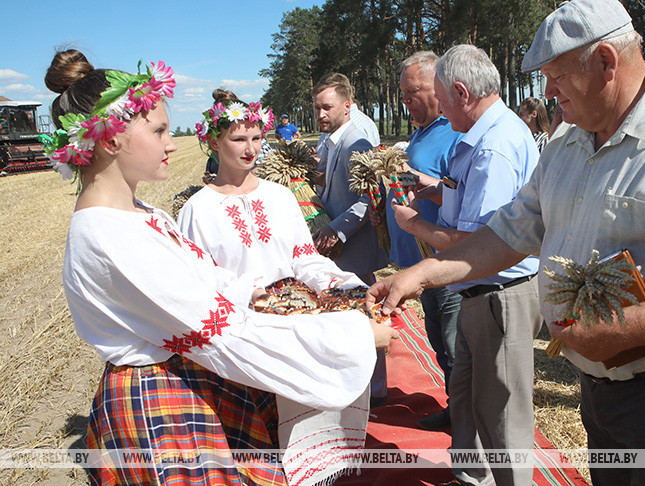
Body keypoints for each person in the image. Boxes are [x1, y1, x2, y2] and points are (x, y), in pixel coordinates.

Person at [369, 2, 645, 485]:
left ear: (605, 62)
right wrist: (421, 274)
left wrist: (620, 328)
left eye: (555, 76)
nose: (546, 92)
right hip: (600, 384)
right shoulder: (570, 141)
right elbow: (510, 232)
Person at [44, 49, 395, 485]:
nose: (172, 144)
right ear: (112, 140)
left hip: (198, 371)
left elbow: (213, 280)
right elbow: (222, 331)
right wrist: (354, 336)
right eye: (159, 131)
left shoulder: (141, 215)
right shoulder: (108, 235)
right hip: (162, 398)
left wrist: (287, 296)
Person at [179, 88, 385, 483]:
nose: (250, 148)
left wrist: (342, 283)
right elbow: (199, 280)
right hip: (239, 335)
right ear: (213, 141)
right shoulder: (197, 209)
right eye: (239, 139)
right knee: (254, 444)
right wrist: (248, 296)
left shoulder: (279, 196)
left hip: (291, 319)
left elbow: (304, 257)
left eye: (257, 138)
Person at [389, 44, 542, 486]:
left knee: (503, 415)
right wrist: (435, 190)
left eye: (438, 96)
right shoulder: (479, 136)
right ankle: (471, 478)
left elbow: (480, 243)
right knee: (469, 402)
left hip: (498, 296)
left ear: (460, 92)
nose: (437, 108)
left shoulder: (493, 147)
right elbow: (470, 204)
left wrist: (416, 224)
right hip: (478, 294)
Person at [387, 51, 464, 431]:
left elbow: (462, 194)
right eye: (402, 94)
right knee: (440, 341)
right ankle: (457, 410)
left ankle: (465, 420)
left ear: (437, 87)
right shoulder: (422, 131)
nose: (405, 102)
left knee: (454, 346)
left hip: (445, 261)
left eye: (411, 93)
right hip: (423, 262)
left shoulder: (455, 133)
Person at [311, 72, 390, 405]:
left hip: (354, 247)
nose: (320, 115)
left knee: (365, 312)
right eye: (317, 108)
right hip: (344, 248)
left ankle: (375, 389)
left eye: (327, 107)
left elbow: (366, 199)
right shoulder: (335, 140)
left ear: (347, 106)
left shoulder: (356, 140)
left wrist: (335, 229)